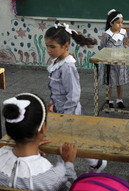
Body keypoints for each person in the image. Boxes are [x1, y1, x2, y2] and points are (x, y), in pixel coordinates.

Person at [44, 23, 107, 172]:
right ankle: (91, 163)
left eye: (52, 46)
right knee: (68, 141)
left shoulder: (67, 66)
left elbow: (73, 94)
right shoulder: (57, 61)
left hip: (68, 113)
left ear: (66, 46)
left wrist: (67, 116)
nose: (48, 50)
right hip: (60, 110)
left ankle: (66, 168)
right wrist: (52, 103)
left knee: (66, 142)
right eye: (46, 46)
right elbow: (56, 89)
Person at [0, 93, 77, 190]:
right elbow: (71, 187)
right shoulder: (53, 176)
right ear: (43, 128)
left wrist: (33, 148)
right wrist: (68, 162)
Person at [99, 9, 129, 109]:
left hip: (120, 60)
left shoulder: (123, 32)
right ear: (111, 23)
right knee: (110, 81)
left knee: (120, 80)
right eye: (117, 23)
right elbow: (103, 45)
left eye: (121, 22)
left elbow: (124, 41)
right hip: (109, 61)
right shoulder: (107, 34)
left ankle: (119, 99)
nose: (120, 25)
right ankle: (109, 100)